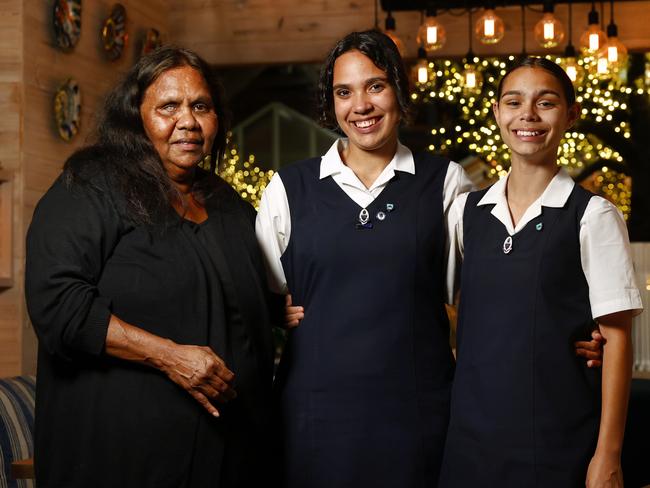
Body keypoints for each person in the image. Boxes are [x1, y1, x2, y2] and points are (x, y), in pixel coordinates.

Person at [25, 46, 277, 488]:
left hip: (229, 457)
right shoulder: (90, 186)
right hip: (122, 459)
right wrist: (169, 356)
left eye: (201, 106)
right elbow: (58, 306)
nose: (189, 121)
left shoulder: (228, 203)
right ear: (134, 116)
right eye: (168, 107)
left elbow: (255, 295)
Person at [438, 57, 643, 487]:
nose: (527, 114)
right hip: (470, 441)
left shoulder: (593, 215)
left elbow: (618, 339)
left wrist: (608, 456)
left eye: (545, 103)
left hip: (558, 439)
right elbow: (431, 298)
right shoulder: (465, 213)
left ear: (571, 115)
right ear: (497, 113)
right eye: (514, 102)